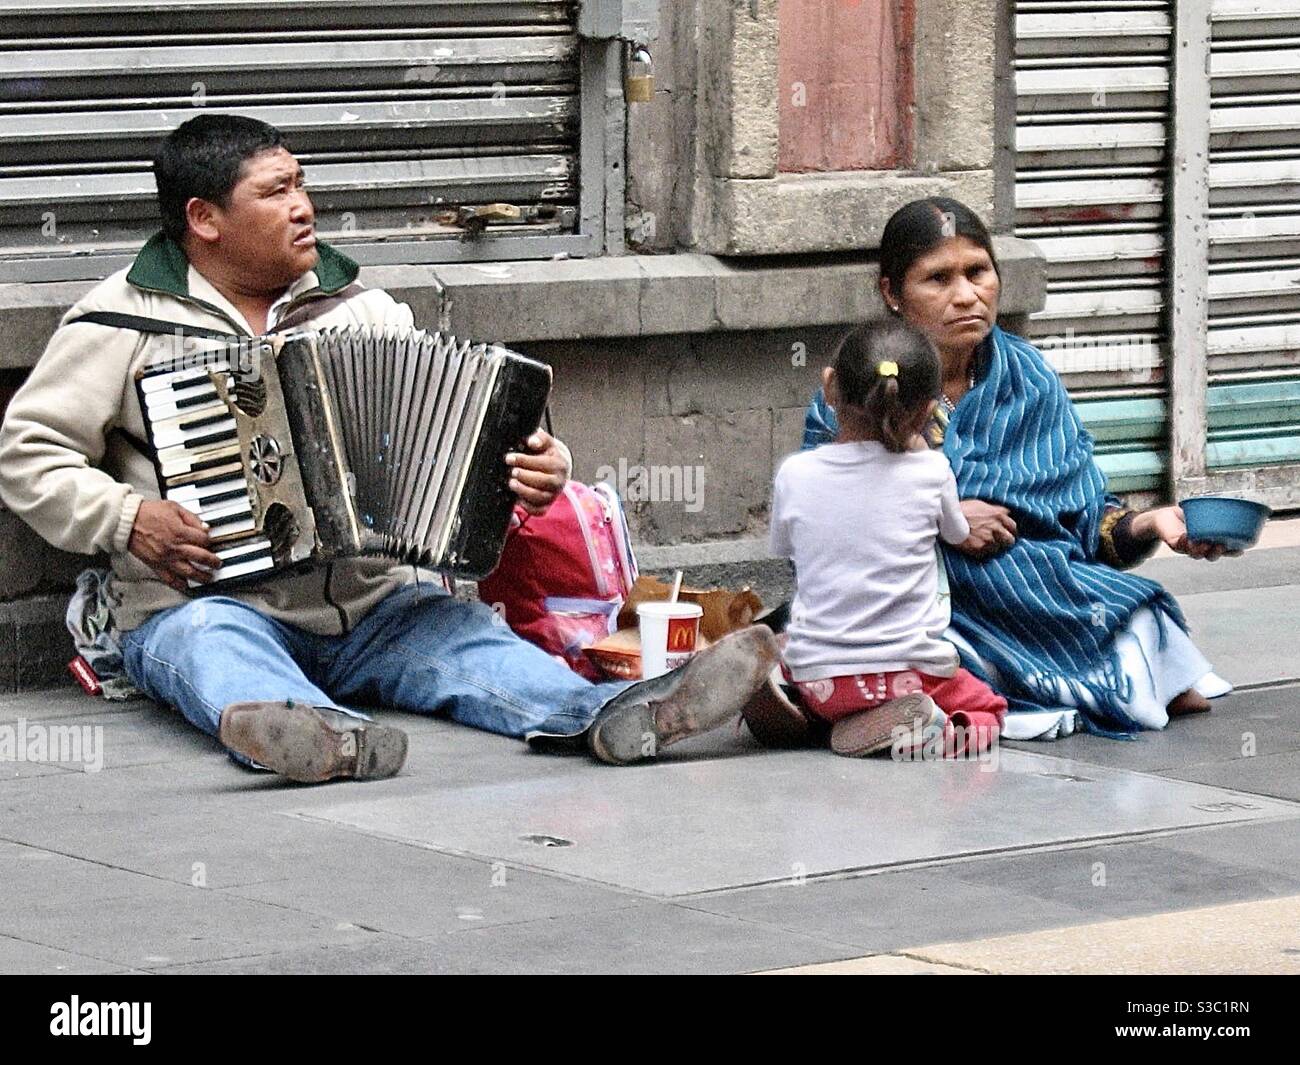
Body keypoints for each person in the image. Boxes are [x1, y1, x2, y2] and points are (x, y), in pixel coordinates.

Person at [0, 113, 778, 782]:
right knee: (206, 646)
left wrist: (542, 467)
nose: (304, 207)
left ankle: (621, 714)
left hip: (376, 606)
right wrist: (127, 517)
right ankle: (319, 734)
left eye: (301, 184)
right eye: (276, 193)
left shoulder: (363, 310)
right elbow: (27, 450)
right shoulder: (123, 319)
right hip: (205, 600)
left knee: (472, 640)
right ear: (203, 218)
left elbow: (447, 442)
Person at [803, 198, 1232, 737]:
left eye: (977, 272)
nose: (966, 296)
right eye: (938, 279)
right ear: (892, 293)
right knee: (916, 646)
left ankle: (954, 697)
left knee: (1146, 624)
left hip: (1039, 587)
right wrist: (944, 521)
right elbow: (826, 521)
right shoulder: (860, 378)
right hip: (920, 597)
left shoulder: (1027, 375)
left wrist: (1153, 524)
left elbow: (1086, 521)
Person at [772, 319, 1007, 759]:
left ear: (829, 387)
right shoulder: (932, 472)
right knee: (989, 708)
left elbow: (785, 548)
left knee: (786, 644)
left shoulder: (795, 473)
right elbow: (957, 533)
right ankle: (934, 729)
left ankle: (793, 705)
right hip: (912, 675)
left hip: (821, 681)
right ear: (929, 408)